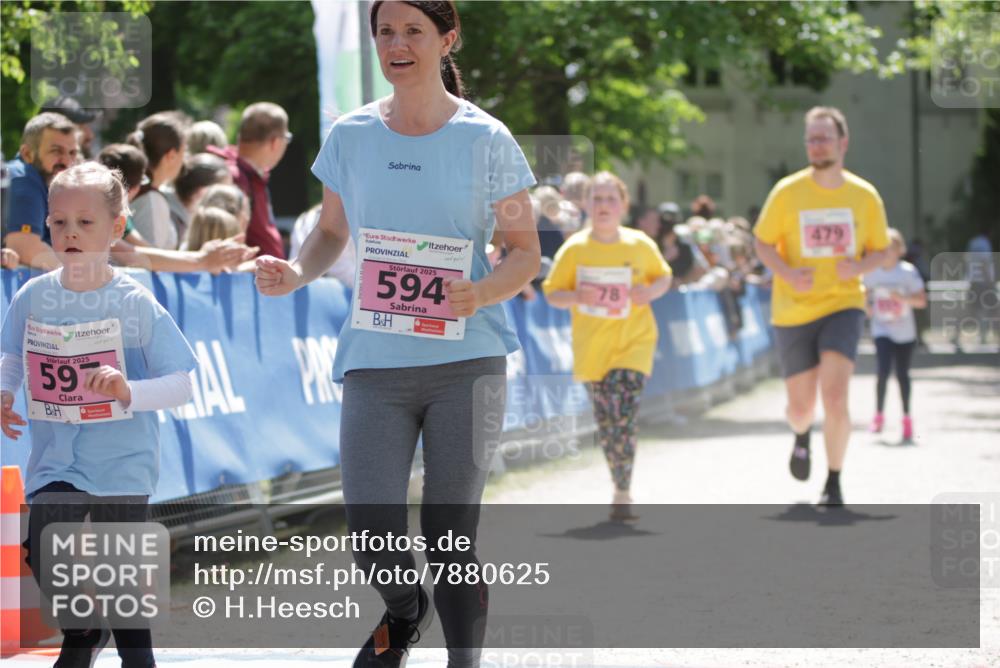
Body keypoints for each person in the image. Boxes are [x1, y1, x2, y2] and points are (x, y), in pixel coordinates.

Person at [254, 2, 539, 667]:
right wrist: (297, 272)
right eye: (386, 31)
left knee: (450, 534)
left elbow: (526, 251)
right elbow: (331, 232)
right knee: (371, 532)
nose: (397, 44)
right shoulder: (350, 136)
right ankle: (406, 614)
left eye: (413, 30)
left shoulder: (488, 139)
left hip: (467, 361)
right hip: (376, 363)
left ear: (448, 39)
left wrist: (482, 290)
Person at [0, 161, 197, 668]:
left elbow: (181, 384)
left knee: (120, 575)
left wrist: (127, 390)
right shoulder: (32, 295)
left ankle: (137, 657)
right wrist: (4, 392)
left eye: (84, 223)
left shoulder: (134, 300)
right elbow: (13, 356)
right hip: (55, 459)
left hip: (122, 461)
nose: (69, 233)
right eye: (58, 221)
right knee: (43, 543)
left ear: (115, 227)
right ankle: (83, 629)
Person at [753, 106, 890, 506]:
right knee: (800, 408)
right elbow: (762, 242)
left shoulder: (864, 196)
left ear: (843, 142)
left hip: (843, 303)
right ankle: (801, 435)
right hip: (793, 309)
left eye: (824, 138)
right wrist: (788, 272)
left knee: (834, 396)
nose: (816, 146)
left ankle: (833, 481)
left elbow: (880, 251)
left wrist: (859, 265)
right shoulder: (787, 192)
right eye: (810, 139)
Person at [542, 171, 672, 522]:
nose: (603, 206)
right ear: (586, 204)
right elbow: (552, 293)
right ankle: (620, 481)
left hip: (634, 342)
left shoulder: (639, 244)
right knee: (607, 421)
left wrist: (651, 292)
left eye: (610, 199)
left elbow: (664, 276)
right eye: (596, 199)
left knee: (623, 413)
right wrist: (575, 295)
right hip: (593, 348)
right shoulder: (575, 249)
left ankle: (623, 492)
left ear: (623, 205)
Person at [864, 228, 927, 442]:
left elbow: (921, 301)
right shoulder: (872, 273)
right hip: (882, 329)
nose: (888, 252)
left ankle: (907, 419)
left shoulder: (907, 272)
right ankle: (878, 415)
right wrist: (868, 308)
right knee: (882, 371)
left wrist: (903, 299)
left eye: (892, 247)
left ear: (900, 250)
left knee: (902, 375)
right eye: (884, 248)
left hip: (904, 332)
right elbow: (861, 296)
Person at [207, 102, 291, 259]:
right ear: (275, 142)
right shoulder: (233, 177)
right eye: (287, 138)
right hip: (243, 279)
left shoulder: (249, 175)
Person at [3, 112, 80, 268]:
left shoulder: (48, 184)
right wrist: (87, 281)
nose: (66, 161)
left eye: (72, 153)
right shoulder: (22, 178)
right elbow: (26, 249)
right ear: (27, 154)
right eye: (56, 151)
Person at [128, 112, 187, 249]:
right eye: (184, 153)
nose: (184, 161)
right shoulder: (151, 199)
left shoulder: (140, 192)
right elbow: (152, 260)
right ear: (171, 155)